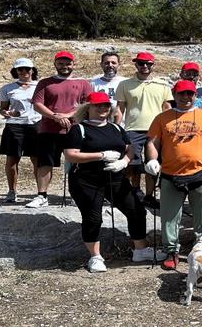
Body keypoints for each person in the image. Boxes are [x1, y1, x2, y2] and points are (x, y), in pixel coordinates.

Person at [64, 92, 165, 273]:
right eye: (98, 106)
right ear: (89, 108)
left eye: (105, 106)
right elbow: (71, 154)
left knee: (136, 210)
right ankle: (95, 257)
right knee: (93, 218)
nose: (103, 109)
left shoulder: (116, 128)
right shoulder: (78, 129)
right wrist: (101, 155)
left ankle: (140, 250)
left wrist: (124, 162)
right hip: (86, 181)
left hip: (115, 178)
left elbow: (130, 148)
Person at [144, 80, 202, 270]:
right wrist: (152, 160)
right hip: (170, 174)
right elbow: (152, 142)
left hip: (201, 172)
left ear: (196, 95)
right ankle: (171, 251)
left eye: (190, 94)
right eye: (181, 94)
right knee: (169, 216)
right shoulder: (162, 118)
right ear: (174, 94)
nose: (186, 97)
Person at [28, 51, 93, 208]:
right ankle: (42, 195)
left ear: (73, 64)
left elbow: (88, 105)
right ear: (55, 64)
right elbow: (37, 104)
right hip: (48, 128)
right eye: (61, 63)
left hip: (75, 128)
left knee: (77, 162)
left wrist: (68, 115)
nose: (65, 66)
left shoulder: (83, 83)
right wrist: (55, 116)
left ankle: (78, 194)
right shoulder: (45, 82)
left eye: (68, 63)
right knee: (45, 162)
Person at [115, 52, 173, 210]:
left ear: (153, 65)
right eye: (141, 63)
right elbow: (120, 108)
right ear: (136, 64)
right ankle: (130, 193)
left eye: (148, 64)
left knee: (152, 164)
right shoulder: (125, 84)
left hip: (156, 130)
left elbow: (167, 109)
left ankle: (149, 196)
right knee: (131, 163)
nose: (144, 66)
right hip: (132, 128)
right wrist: (116, 127)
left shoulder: (162, 85)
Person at [0, 58, 41, 203]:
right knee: (12, 159)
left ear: (32, 71)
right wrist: (5, 112)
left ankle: (41, 192)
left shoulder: (40, 87)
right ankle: (12, 191)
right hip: (14, 125)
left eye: (27, 69)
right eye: (20, 69)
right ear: (16, 71)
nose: (24, 72)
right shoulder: (7, 88)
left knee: (37, 158)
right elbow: (3, 107)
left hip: (35, 124)